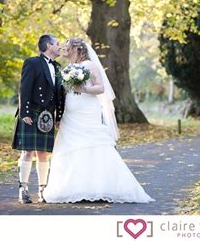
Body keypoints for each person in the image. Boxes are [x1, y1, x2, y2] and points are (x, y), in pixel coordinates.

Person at [42, 37, 154, 204]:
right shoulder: (68, 68)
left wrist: (84, 88)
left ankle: (100, 187)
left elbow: (100, 87)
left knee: (93, 145)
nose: (66, 50)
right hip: (71, 112)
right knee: (70, 146)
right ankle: (73, 187)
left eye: (69, 48)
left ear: (78, 50)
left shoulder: (90, 65)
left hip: (88, 110)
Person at [12, 35, 65, 204]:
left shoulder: (57, 66)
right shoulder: (32, 62)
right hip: (32, 112)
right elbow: (24, 88)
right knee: (27, 152)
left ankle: (43, 189)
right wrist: (25, 113)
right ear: (49, 45)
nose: (60, 47)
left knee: (43, 154)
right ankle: (23, 189)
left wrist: (59, 116)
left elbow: (59, 94)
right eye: (57, 44)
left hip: (48, 115)